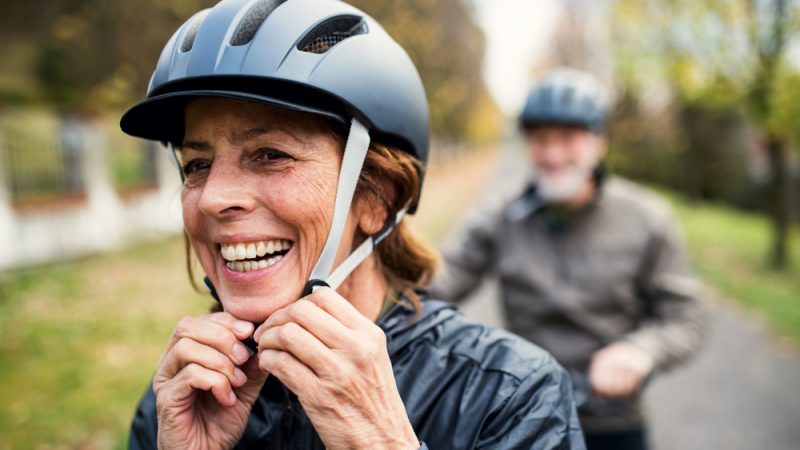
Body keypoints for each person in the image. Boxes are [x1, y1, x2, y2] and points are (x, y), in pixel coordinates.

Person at [120, 1, 586, 449]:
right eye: (197, 164)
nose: (215, 199)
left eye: (270, 155)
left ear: (377, 198)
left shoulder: (512, 397)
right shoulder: (182, 393)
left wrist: (384, 444)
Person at [428, 68, 707, 450]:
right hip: (524, 416)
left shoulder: (647, 218)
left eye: (569, 138)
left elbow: (685, 316)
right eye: (541, 139)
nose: (553, 154)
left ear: (599, 143)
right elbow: (439, 282)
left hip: (613, 420)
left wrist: (642, 350)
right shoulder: (501, 215)